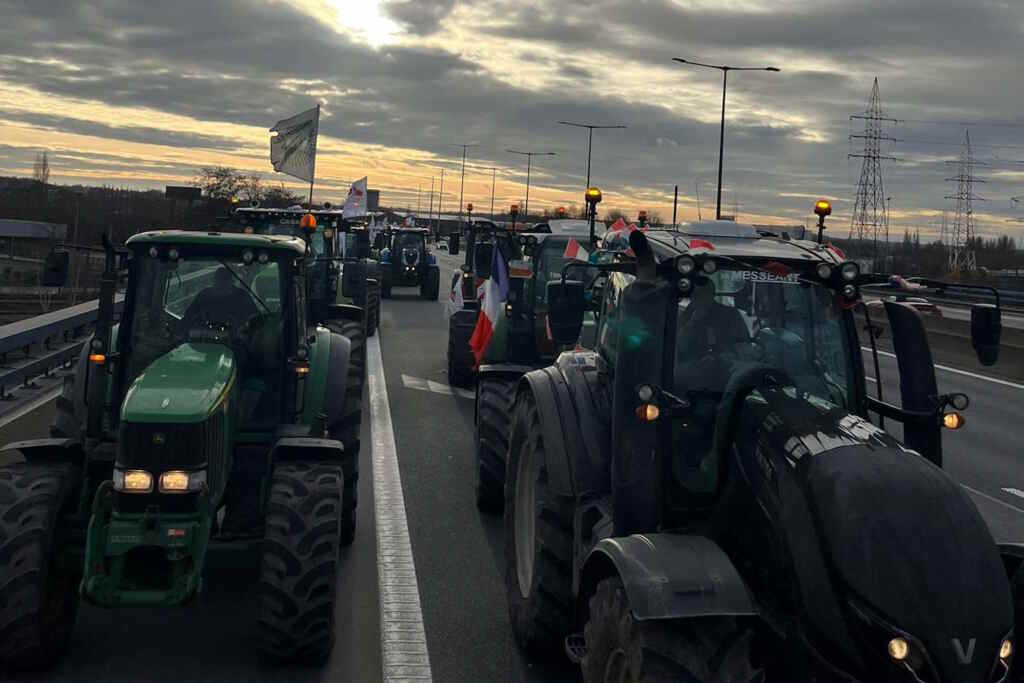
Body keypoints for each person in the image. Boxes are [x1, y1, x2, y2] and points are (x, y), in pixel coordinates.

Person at [182, 266, 260, 331]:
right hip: (204, 338)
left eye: (224, 280)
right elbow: (188, 316)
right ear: (214, 281)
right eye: (219, 280)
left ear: (231, 281)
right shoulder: (204, 295)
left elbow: (255, 318)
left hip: (235, 340)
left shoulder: (242, 296)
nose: (221, 283)